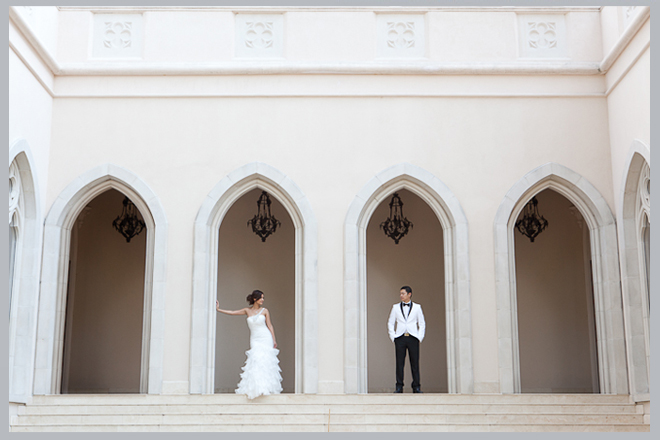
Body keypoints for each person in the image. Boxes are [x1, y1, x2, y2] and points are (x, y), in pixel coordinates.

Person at [216, 290, 283, 399]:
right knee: (255, 360)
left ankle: (267, 388)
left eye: (263, 298)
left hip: (265, 337)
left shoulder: (265, 311)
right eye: (261, 298)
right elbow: (233, 312)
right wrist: (219, 309)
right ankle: (256, 387)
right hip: (255, 339)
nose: (263, 300)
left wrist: (274, 340)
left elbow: (270, 326)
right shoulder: (247, 311)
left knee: (266, 361)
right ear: (255, 299)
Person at [387, 285, 426, 393]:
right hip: (400, 338)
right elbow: (390, 323)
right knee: (399, 363)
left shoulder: (417, 307)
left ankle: (416, 386)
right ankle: (399, 386)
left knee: (415, 363)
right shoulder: (395, 307)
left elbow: (422, 323)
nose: (401, 296)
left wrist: (419, 337)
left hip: (413, 337)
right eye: (400, 294)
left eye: (403, 293)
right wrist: (393, 336)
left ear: (409, 294)